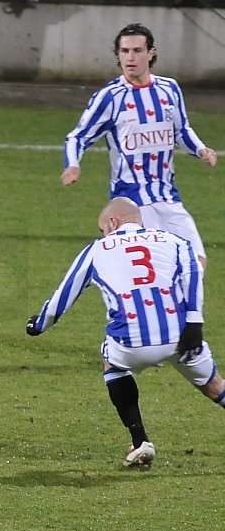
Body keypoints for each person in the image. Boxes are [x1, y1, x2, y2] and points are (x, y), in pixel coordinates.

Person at [25, 197, 225, 468]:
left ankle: (140, 440)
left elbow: (64, 294)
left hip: (131, 342)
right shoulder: (174, 240)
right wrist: (195, 322)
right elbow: (194, 274)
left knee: (111, 361)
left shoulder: (97, 249)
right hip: (183, 335)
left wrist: (39, 325)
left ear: (113, 222)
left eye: (102, 228)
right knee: (216, 388)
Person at [62, 23, 217, 273]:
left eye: (136, 50)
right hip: (133, 201)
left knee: (197, 265)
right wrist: (72, 165)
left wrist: (200, 150)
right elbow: (77, 137)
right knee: (154, 269)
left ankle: (180, 312)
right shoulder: (110, 96)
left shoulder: (169, 89)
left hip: (168, 197)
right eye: (124, 51)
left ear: (151, 53)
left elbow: (181, 130)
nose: (130, 57)